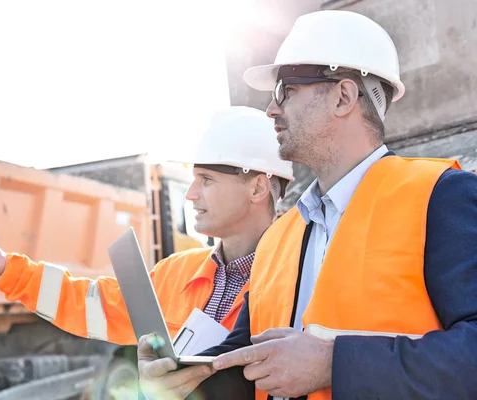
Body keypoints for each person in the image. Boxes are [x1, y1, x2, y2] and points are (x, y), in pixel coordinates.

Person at [137, 10, 477, 400]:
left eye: (287, 90)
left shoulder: (440, 196)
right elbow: (245, 365)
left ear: (343, 97)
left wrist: (333, 364)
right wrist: (181, 377)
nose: (271, 109)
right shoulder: (278, 238)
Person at [0, 105, 294, 358]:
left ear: (257, 188)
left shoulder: (299, 276)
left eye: (206, 180)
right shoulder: (177, 272)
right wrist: (9, 271)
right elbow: (92, 305)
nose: (191, 194)